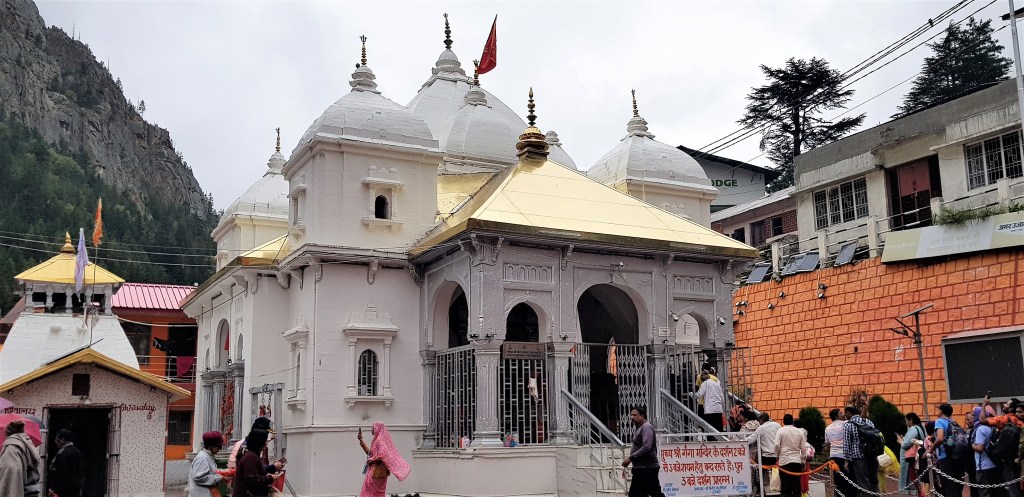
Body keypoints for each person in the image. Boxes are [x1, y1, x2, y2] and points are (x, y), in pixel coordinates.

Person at [358, 421, 411, 497]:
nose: (371, 430)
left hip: (377, 472)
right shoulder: (377, 440)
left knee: (373, 494)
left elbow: (383, 455)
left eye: (372, 428)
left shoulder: (380, 440)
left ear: (377, 428)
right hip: (376, 472)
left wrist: (373, 459)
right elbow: (370, 454)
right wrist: (361, 440)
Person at [621, 407, 665, 497]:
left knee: (654, 493)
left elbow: (646, 447)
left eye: (635, 415)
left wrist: (631, 458)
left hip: (647, 468)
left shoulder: (646, 427)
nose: (632, 417)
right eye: (631, 415)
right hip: (640, 468)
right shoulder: (639, 427)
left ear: (642, 415)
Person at [927, 402, 964, 497]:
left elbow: (940, 438)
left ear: (941, 411)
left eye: (938, 409)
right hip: (956, 455)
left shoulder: (939, 421)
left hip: (945, 456)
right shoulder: (953, 421)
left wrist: (931, 449)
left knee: (948, 485)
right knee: (956, 484)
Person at [843, 406, 879, 497]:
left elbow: (846, 443)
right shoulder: (869, 422)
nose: (844, 415)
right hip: (872, 456)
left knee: (863, 483)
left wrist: (846, 460)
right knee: (874, 481)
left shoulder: (848, 425)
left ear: (848, 413)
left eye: (845, 413)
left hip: (858, 458)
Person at [0, 420, 42, 497]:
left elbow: (10, 476)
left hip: (21, 492)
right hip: (31, 492)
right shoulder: (27, 444)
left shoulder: (12, 448)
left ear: (7, 433)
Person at [232, 429, 278, 497]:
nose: (266, 444)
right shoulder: (250, 458)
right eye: (265, 441)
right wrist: (270, 478)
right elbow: (253, 480)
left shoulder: (251, 455)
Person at [774, 414, 807, 497]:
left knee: (785, 486)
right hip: (796, 461)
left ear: (783, 422)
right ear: (792, 421)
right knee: (796, 485)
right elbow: (803, 448)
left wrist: (777, 455)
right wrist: (803, 461)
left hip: (784, 461)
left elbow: (777, 445)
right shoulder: (799, 432)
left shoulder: (780, 431)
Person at [826, 408, 854, 497]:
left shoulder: (827, 428)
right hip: (845, 456)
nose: (843, 414)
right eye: (840, 413)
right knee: (848, 479)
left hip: (833, 457)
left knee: (837, 480)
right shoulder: (845, 424)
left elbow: (827, 444)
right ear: (836, 416)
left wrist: (829, 455)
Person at [752, 412, 782, 495]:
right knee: (782, 474)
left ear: (761, 420)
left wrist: (740, 442)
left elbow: (751, 439)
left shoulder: (760, 428)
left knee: (758, 473)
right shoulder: (777, 425)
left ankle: (761, 491)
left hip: (767, 456)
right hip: (778, 455)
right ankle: (783, 490)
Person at [188, 431, 225, 497]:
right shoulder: (202, 458)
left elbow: (212, 472)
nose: (220, 449)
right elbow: (199, 477)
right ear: (210, 446)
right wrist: (219, 477)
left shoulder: (208, 456)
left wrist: (223, 473)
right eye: (218, 446)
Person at [47, 429, 82, 497]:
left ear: (62, 440)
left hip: (62, 490)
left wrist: (53, 487)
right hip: (75, 489)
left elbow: (59, 473)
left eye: (57, 440)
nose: (55, 442)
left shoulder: (62, 453)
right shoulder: (77, 452)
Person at [897, 413, 925, 497]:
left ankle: (915, 493)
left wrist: (901, 441)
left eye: (906, 420)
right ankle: (919, 492)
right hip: (915, 456)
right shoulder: (919, 428)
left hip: (909, 458)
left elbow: (906, 444)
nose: (905, 422)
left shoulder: (913, 429)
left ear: (911, 420)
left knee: (910, 476)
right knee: (914, 476)